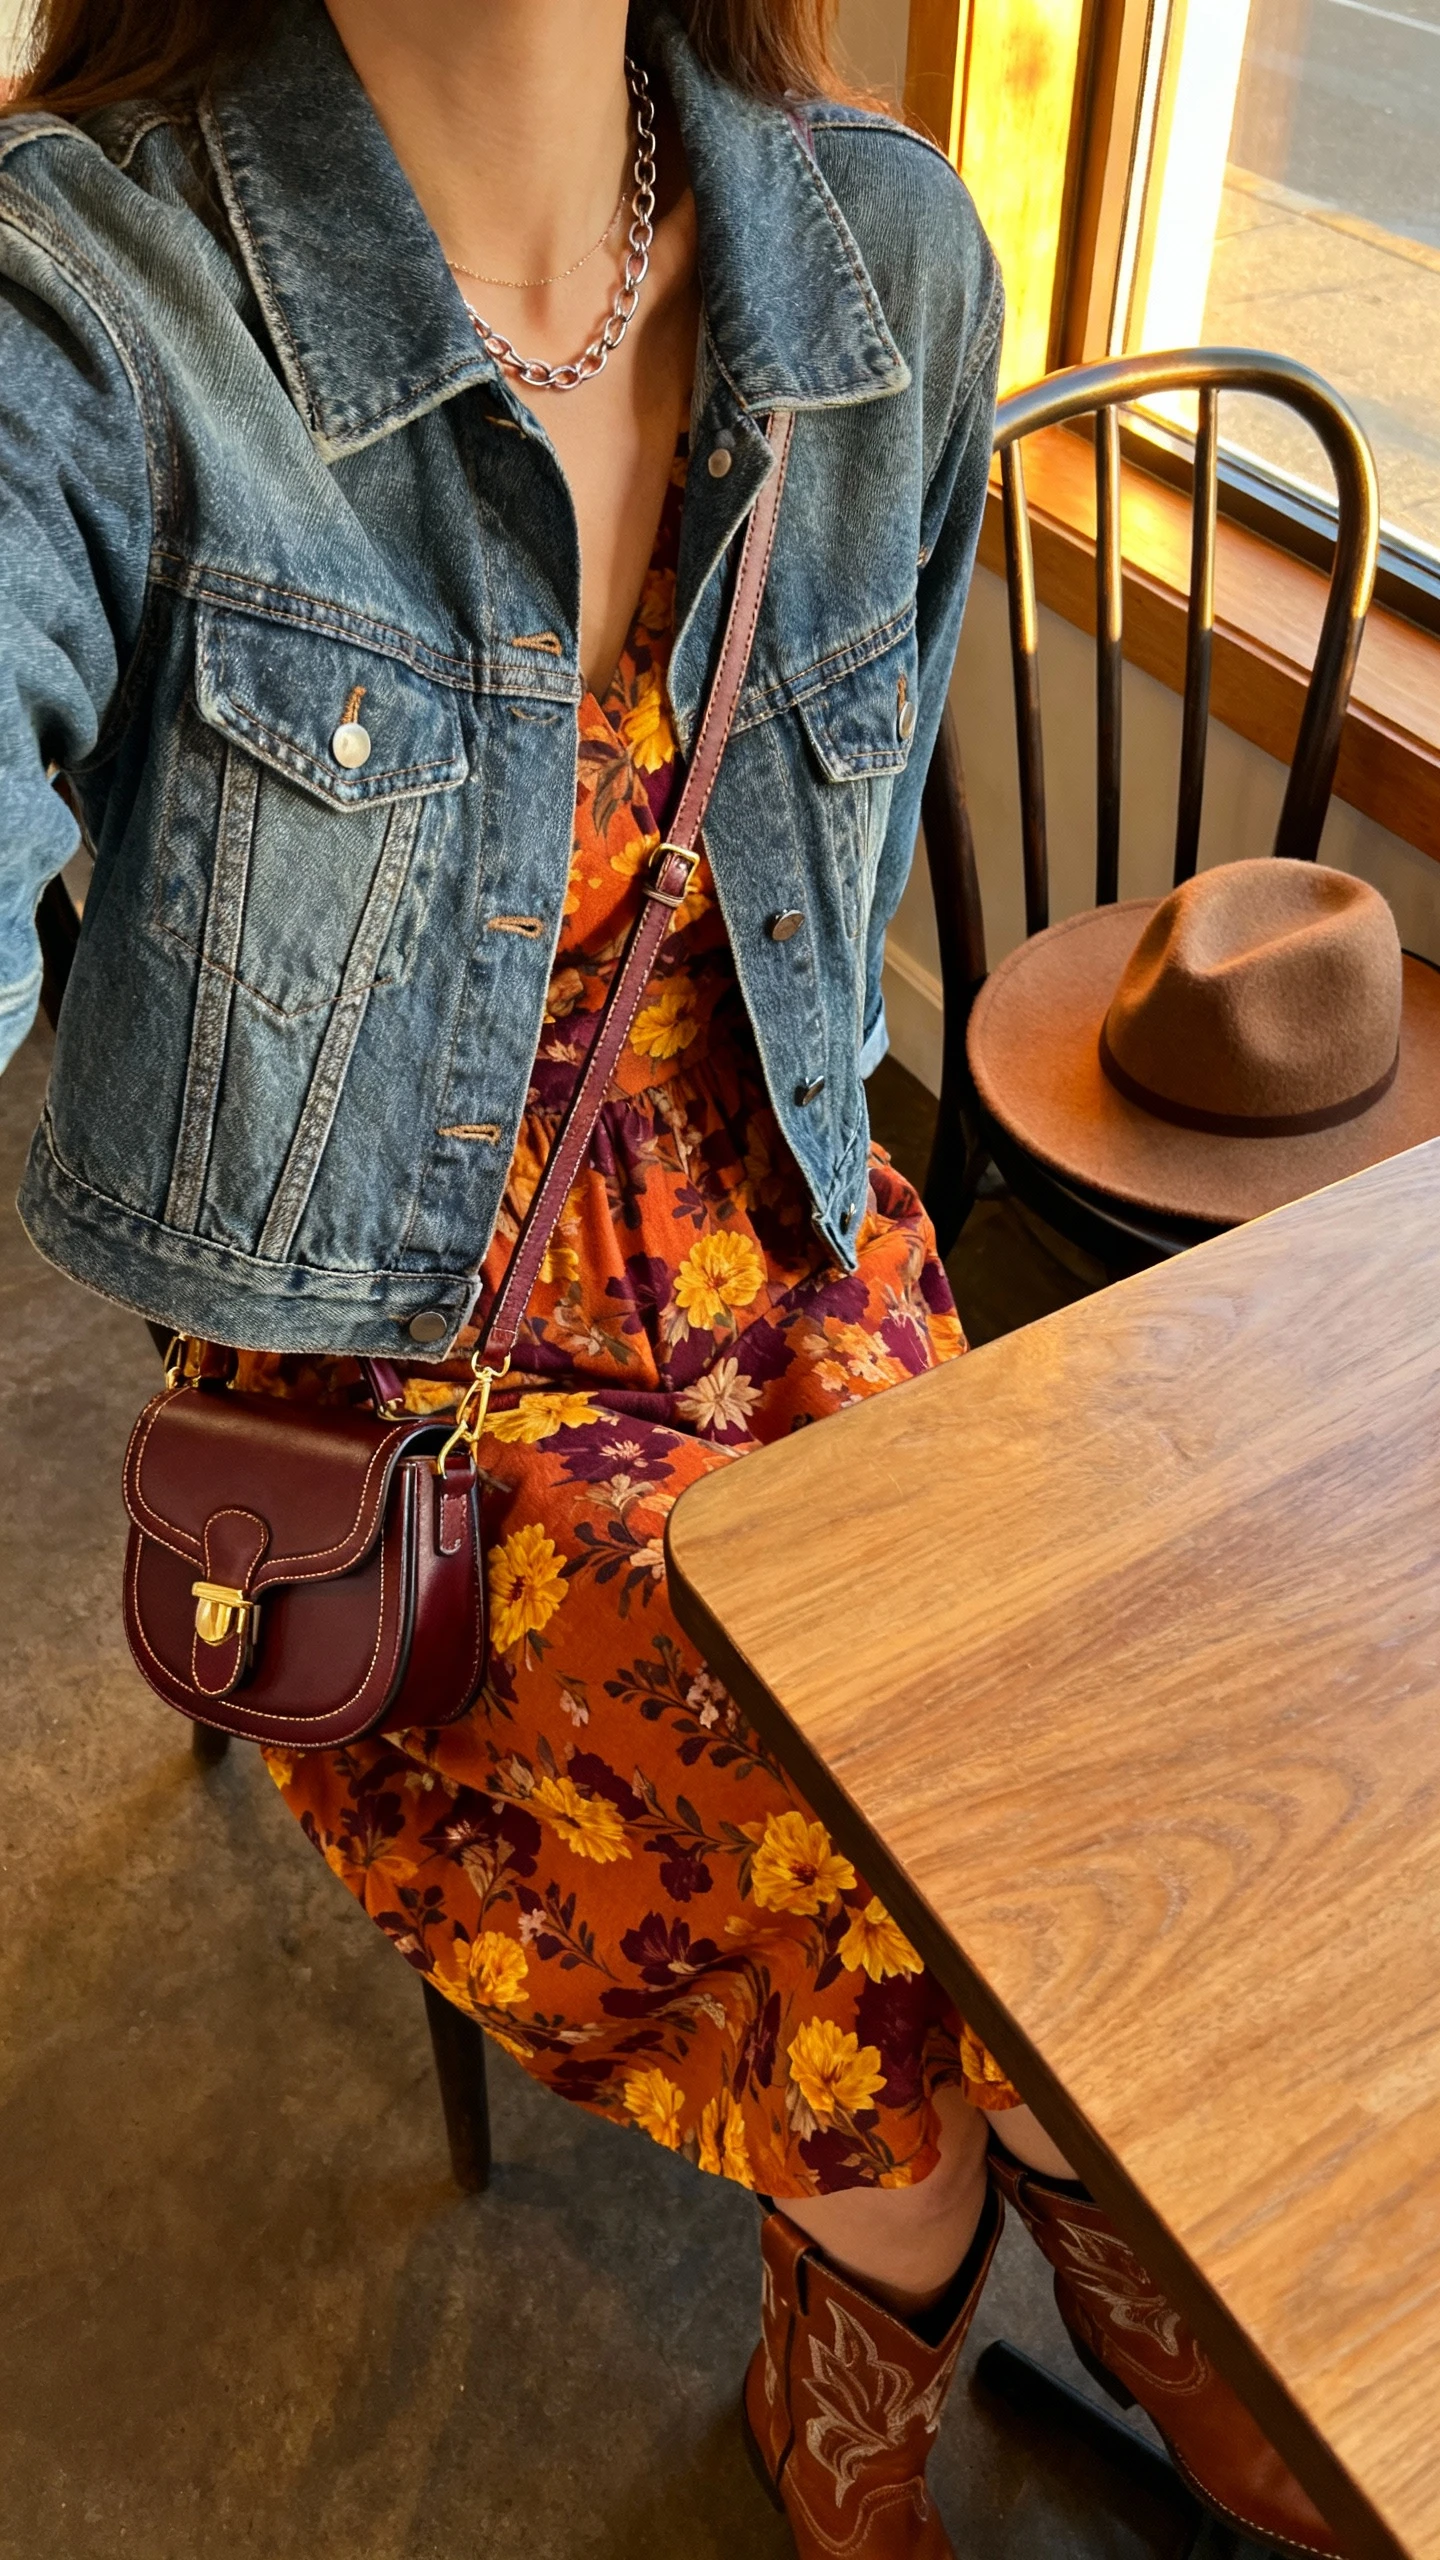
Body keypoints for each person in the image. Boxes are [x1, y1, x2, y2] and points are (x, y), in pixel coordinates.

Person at [0, 4, 1347, 2552]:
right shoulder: (83, 309)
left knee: (1053, 1764)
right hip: (408, 1402)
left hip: (804, 1257)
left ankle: (1019, 2234)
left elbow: (816, 941)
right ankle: (944, 2270)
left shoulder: (893, 263)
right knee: (870, 1856)